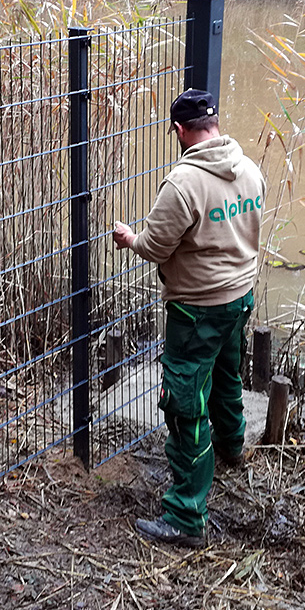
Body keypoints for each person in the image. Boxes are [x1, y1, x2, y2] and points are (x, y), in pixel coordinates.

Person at [112, 88, 265, 548]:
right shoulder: (251, 170)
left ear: (180, 131)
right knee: (226, 376)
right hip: (240, 297)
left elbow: (155, 247)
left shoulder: (183, 184)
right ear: (215, 125)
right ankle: (232, 447)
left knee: (184, 405)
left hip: (195, 308)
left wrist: (129, 237)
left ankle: (185, 515)